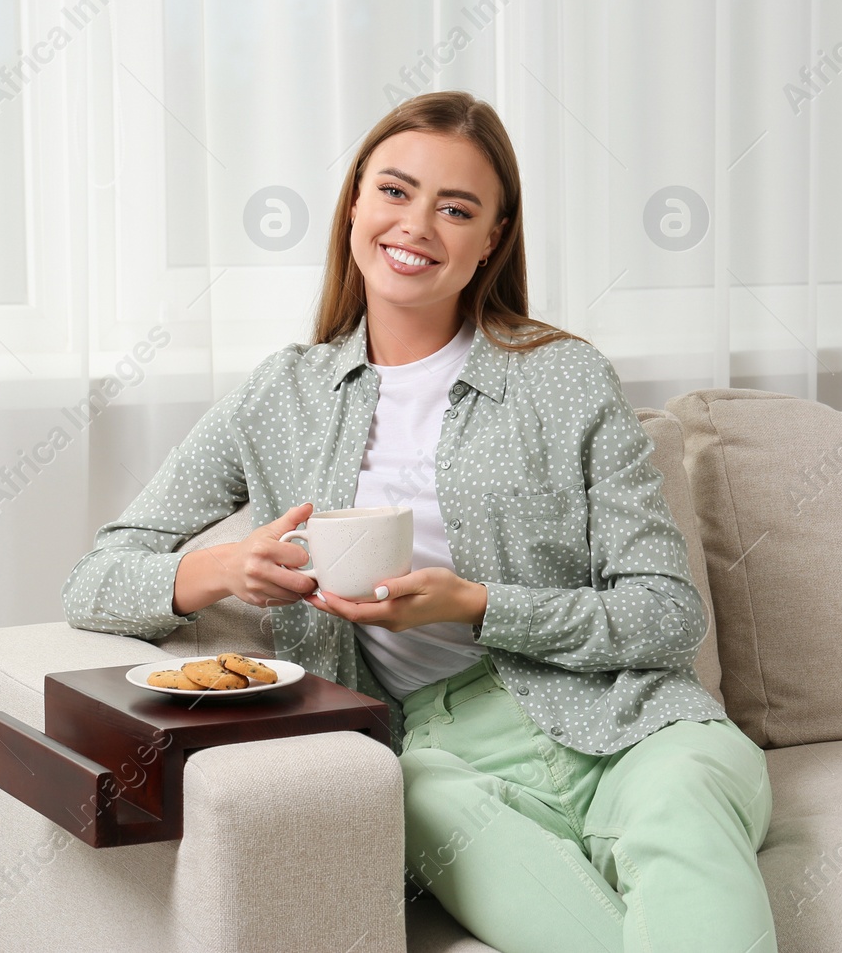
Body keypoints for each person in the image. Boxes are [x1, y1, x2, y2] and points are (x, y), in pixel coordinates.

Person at [61, 90, 776, 952]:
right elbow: (95, 578)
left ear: (491, 240)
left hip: (640, 726)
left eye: (457, 208)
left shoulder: (566, 377)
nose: (418, 225)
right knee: (414, 796)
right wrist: (222, 569)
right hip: (442, 754)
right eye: (395, 192)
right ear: (355, 205)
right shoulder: (279, 396)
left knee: (684, 806)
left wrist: (475, 604)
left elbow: (667, 614)